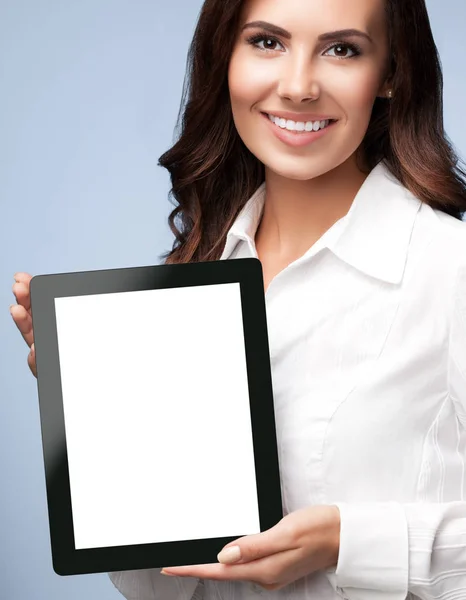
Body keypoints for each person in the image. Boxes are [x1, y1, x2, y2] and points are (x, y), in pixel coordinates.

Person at [10, 0, 466, 598]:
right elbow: (164, 584)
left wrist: (347, 541)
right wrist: (102, 428)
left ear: (391, 75)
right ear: (224, 58)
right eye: (267, 42)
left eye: (342, 49)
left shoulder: (448, 269)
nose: (299, 86)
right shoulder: (197, 282)